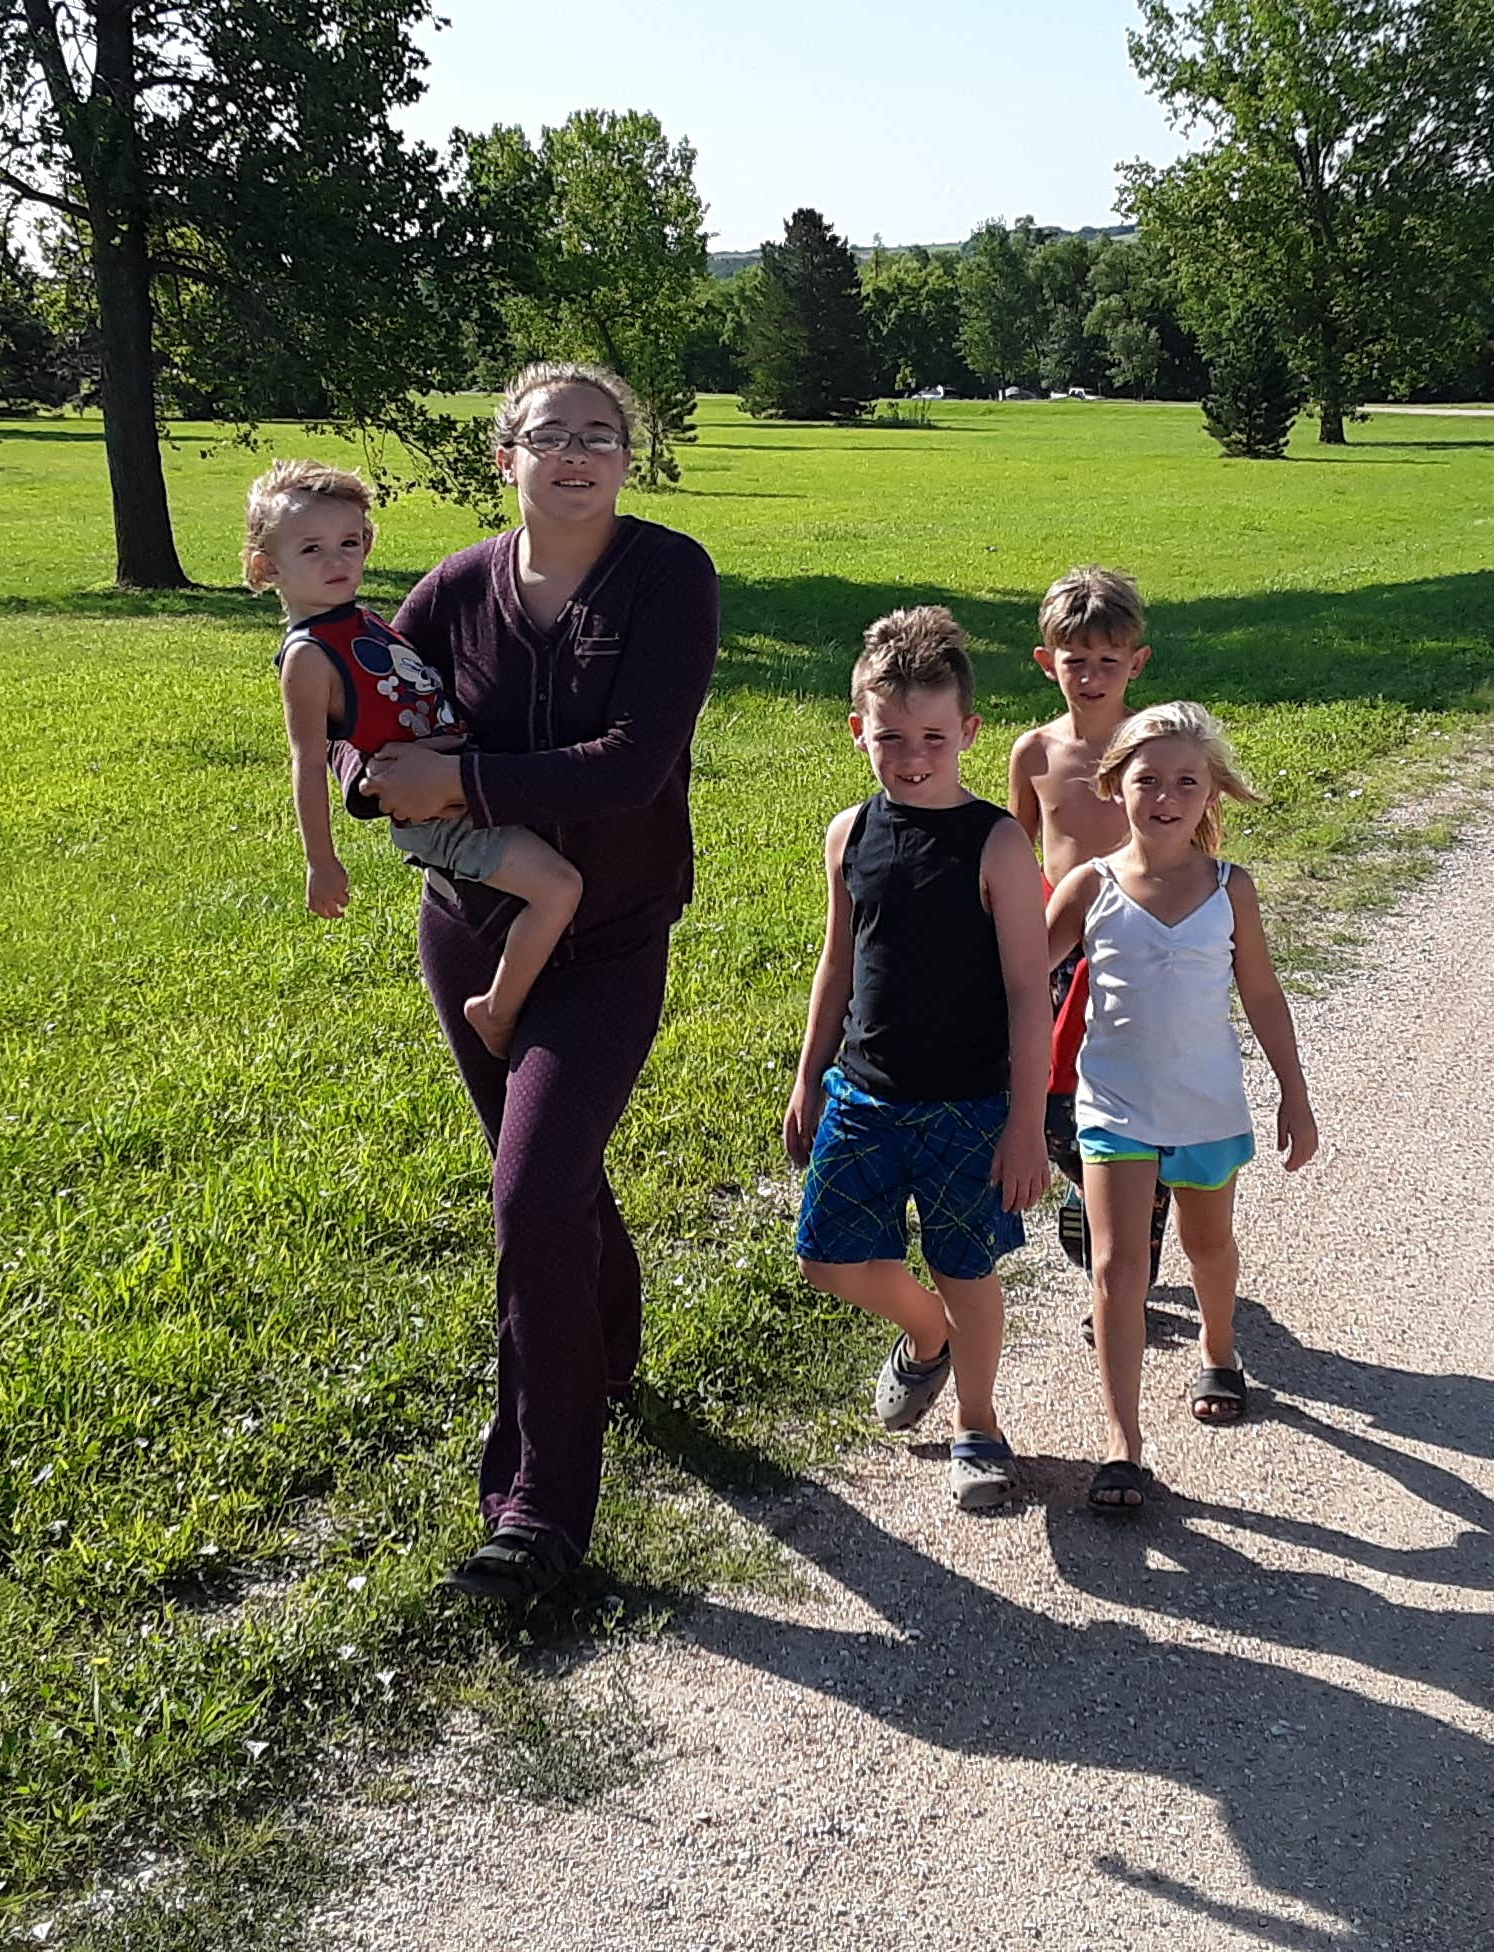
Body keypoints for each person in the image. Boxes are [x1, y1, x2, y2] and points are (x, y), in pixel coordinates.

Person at [360, 362, 720, 1607]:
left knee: (528, 1191)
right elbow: (370, 722)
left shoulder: (668, 574)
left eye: (602, 436)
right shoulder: (456, 588)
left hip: (609, 937)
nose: (576, 454)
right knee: (549, 1181)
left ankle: (538, 1512)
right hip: (469, 933)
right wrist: (362, 773)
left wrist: (455, 785)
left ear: (630, 458)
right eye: (550, 435)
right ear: (505, 455)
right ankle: (604, 1350)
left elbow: (630, 768)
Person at [782, 606, 1050, 1513]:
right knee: (826, 1258)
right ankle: (925, 1334)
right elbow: (837, 960)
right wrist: (809, 1075)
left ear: (969, 733)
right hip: (862, 1092)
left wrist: (1025, 1124)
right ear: (858, 728)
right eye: (889, 735)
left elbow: (1026, 991)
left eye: (933, 736)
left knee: (967, 1267)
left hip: (969, 1107)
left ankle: (978, 1423)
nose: (911, 755)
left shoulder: (998, 843)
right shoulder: (849, 832)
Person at [1042, 701, 1320, 1514]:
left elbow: (1263, 997)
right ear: (1113, 786)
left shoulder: (1232, 890)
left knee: (1208, 1247)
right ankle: (1122, 1445)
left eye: (1186, 782)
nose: (1165, 796)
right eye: (1148, 780)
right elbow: (1021, 977)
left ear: (1212, 798)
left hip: (1207, 1108)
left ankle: (1219, 1347)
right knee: (1117, 1268)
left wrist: (1293, 1095)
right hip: (1113, 1110)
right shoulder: (1090, 887)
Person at [248, 458, 582, 1061]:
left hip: (459, 776)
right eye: (312, 549)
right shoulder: (306, 657)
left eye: (349, 543)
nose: (337, 561)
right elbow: (308, 759)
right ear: (265, 568)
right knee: (559, 888)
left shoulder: (360, 619)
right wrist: (321, 864)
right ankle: (496, 1008)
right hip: (436, 816)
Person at [1005, 564, 1166, 1284]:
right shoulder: (1036, 752)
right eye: (1076, 662)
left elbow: (1189, 847)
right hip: (1057, 947)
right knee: (1045, 1094)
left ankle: (1137, 1210)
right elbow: (1013, 850)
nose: (1092, 677)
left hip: (1136, 944)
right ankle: (1092, 1185)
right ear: (1048, 663)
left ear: (1137, 662)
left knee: (1133, 1089)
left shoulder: (1156, 750)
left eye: (1109, 662)